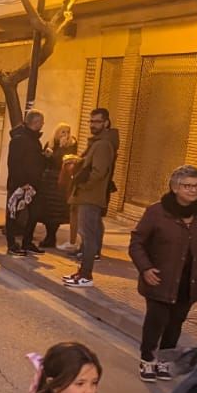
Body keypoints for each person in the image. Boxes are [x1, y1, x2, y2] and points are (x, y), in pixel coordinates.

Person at [127, 165, 197, 382]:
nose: (193, 190)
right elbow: (137, 243)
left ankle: (164, 359)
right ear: (175, 188)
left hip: (191, 279)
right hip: (160, 278)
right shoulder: (156, 211)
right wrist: (145, 268)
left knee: (176, 321)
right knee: (157, 320)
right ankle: (147, 359)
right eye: (187, 186)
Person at [62, 108, 121, 288]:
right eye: (91, 121)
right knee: (87, 236)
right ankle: (82, 273)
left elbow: (98, 172)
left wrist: (82, 185)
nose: (93, 125)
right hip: (87, 196)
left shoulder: (103, 144)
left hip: (90, 197)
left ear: (106, 123)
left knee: (88, 237)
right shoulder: (97, 142)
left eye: (97, 121)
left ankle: (86, 275)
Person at [4, 111, 46, 256]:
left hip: (35, 184)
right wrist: (22, 183)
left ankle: (27, 242)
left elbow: (35, 162)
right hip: (20, 185)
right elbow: (14, 164)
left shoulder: (35, 140)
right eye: (41, 122)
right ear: (34, 123)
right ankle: (12, 244)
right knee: (13, 214)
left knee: (34, 214)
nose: (43, 124)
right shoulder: (19, 139)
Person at [31, 122, 77, 253]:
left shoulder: (70, 145)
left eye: (67, 131)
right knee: (46, 209)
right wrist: (46, 156)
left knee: (55, 211)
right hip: (47, 180)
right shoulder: (50, 144)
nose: (65, 134)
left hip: (59, 180)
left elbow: (65, 162)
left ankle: (51, 236)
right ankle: (49, 236)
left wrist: (57, 153)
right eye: (62, 131)